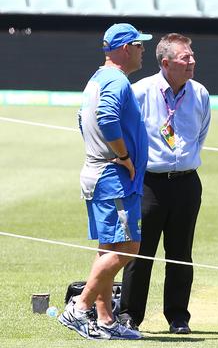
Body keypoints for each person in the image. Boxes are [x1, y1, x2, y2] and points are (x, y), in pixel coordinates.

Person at [58, 23, 152, 340]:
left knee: (109, 246)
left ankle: (105, 318)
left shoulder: (98, 78)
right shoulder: (116, 80)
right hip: (113, 178)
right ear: (126, 48)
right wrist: (124, 157)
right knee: (129, 248)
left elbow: (81, 119)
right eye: (139, 45)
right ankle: (79, 307)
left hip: (100, 174)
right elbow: (108, 118)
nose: (143, 50)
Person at [118, 33, 211, 334]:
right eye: (186, 58)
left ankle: (178, 317)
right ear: (166, 62)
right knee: (139, 252)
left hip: (186, 183)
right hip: (148, 185)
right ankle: (130, 315)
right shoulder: (141, 91)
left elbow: (200, 136)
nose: (192, 62)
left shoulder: (200, 94)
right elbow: (122, 129)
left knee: (181, 254)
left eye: (192, 56)